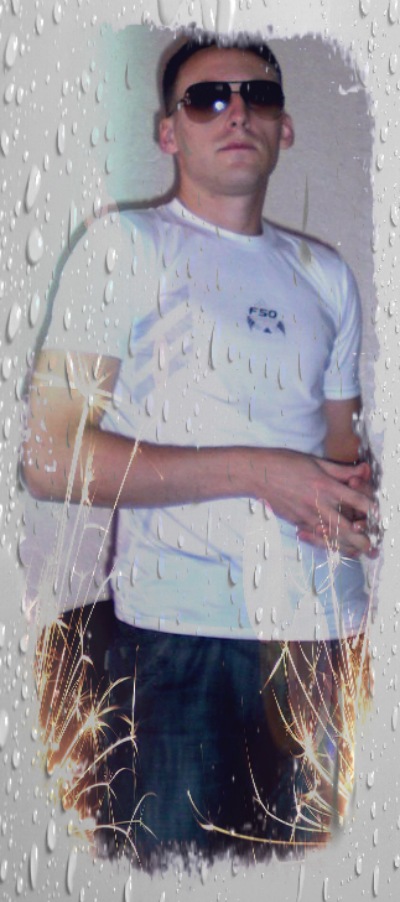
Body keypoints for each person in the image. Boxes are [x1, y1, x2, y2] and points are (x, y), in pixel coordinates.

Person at [22, 32, 378, 869]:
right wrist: (258, 474)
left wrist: (353, 500)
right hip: (177, 644)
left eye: (257, 95)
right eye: (208, 97)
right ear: (168, 132)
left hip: (323, 641)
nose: (236, 112)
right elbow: (49, 458)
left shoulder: (327, 274)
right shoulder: (121, 246)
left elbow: (340, 446)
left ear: (285, 127)